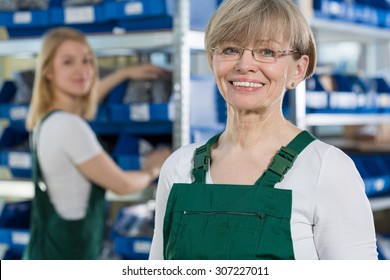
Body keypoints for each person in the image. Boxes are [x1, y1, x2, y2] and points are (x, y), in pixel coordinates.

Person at [149, 0, 378, 260]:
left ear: (298, 69)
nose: (245, 64)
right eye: (231, 49)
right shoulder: (179, 167)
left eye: (267, 51)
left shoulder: (326, 169)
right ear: (212, 60)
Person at [23, 27, 171, 260]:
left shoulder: (46, 121)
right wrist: (153, 168)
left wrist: (122, 75)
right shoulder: (70, 127)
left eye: (87, 60)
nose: (82, 70)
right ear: (48, 71)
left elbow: (85, 106)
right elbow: (122, 185)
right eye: (68, 62)